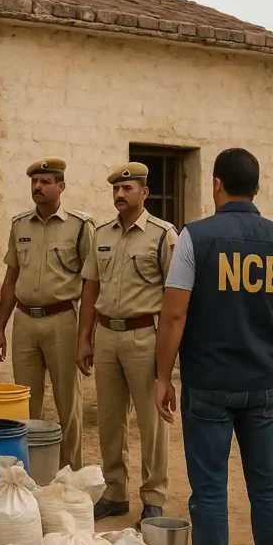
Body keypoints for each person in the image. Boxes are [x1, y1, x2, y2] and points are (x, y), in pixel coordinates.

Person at [154, 148, 273, 545]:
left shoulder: (195, 238)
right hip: (263, 383)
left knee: (210, 490)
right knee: (266, 486)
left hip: (210, 384)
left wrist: (163, 377)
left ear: (216, 184)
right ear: (256, 188)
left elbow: (175, 312)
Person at [78, 162, 176, 524]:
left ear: (144, 193)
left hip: (143, 335)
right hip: (106, 335)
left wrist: (167, 353)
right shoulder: (101, 234)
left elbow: (173, 295)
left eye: (128, 189)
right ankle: (115, 492)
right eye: (116, 190)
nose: (120, 195)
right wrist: (84, 339)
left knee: (151, 422)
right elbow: (91, 287)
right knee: (109, 418)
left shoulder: (162, 235)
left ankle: (154, 496)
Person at [0, 157, 93, 469]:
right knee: (26, 402)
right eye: (34, 181)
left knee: (67, 404)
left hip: (62, 320)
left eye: (46, 181)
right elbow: (10, 280)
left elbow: (92, 282)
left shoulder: (79, 226)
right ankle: (30, 470)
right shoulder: (19, 224)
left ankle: (70, 471)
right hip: (24, 321)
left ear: (61, 186)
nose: (38, 186)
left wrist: (87, 336)